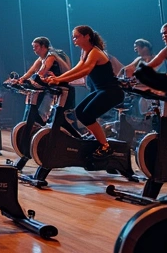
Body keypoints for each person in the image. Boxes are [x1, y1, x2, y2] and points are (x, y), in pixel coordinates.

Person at [43, 25, 123, 162]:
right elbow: (77, 68)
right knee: (80, 112)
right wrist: (58, 79)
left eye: (77, 36)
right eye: (73, 36)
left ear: (87, 36)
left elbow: (85, 71)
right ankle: (98, 139)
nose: (74, 39)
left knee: (87, 115)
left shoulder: (95, 52)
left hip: (112, 91)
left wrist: (59, 80)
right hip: (100, 89)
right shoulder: (84, 52)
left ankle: (105, 146)